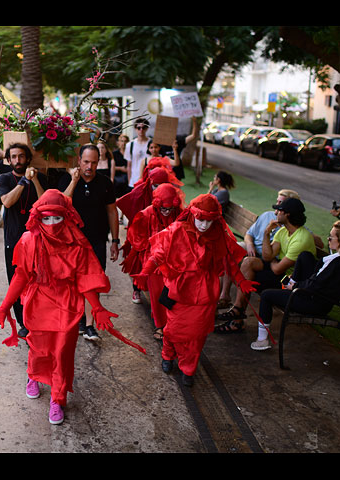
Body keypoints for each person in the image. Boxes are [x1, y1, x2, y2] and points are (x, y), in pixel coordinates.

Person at [0, 189, 118, 425]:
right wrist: (4, 307)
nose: (52, 224)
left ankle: (58, 396)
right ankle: (34, 375)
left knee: (63, 352)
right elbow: (21, 275)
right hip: (38, 301)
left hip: (68, 301)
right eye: (46, 218)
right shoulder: (29, 240)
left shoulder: (77, 242)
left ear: (66, 217)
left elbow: (84, 278)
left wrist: (96, 307)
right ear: (38, 218)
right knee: (39, 347)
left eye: (57, 218)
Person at [132, 194, 256, 386]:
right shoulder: (176, 230)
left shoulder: (217, 234)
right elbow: (158, 255)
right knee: (173, 330)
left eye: (209, 221)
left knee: (197, 335)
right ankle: (168, 352)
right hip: (179, 290)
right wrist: (144, 273)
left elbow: (229, 262)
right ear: (192, 214)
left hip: (205, 292)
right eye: (201, 219)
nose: (204, 225)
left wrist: (241, 281)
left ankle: (188, 369)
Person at [250, 219, 340, 351]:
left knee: (266, 295)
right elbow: (318, 280)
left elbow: (316, 284)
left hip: (314, 303)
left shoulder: (339, 264)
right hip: (314, 295)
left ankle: (262, 340)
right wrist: (295, 283)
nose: (328, 239)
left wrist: (294, 287)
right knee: (305, 256)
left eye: (331, 237)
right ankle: (292, 282)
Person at [215, 197, 317, 333]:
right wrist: (266, 233)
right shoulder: (282, 231)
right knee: (248, 263)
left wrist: (272, 261)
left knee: (248, 275)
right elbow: (267, 256)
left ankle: (237, 318)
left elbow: (277, 269)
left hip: (290, 283)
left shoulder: (301, 239)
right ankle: (238, 310)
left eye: (279, 210)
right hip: (280, 272)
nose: (276, 213)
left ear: (287, 215)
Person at [58, 144, 120, 340]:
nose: (90, 166)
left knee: (93, 282)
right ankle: (76, 318)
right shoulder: (67, 180)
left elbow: (112, 211)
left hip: (97, 239)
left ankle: (89, 323)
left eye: (94, 162)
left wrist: (115, 240)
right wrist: (74, 180)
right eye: (86, 162)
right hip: (71, 241)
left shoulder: (104, 183)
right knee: (72, 282)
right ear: (79, 160)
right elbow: (62, 204)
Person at [0, 142, 48, 337]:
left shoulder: (40, 178)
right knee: (16, 283)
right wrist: (23, 182)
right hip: (14, 240)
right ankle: (24, 322)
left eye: (21, 157)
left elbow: (45, 204)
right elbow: (7, 201)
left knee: (38, 281)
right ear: (9, 160)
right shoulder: (4, 178)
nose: (18, 161)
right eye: (14, 157)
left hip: (38, 240)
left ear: (28, 159)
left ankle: (37, 319)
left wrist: (34, 181)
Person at [121, 183, 183, 340]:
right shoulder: (146, 214)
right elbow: (138, 240)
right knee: (156, 295)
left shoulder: (179, 214)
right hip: (153, 262)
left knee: (173, 293)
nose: (167, 212)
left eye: (170, 209)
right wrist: (134, 256)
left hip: (174, 261)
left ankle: (172, 323)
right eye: (163, 208)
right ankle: (161, 326)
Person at [125, 118, 150, 189]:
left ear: (147, 128)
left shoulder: (151, 143)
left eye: (143, 127)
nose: (141, 130)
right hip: (134, 180)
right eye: (138, 128)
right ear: (135, 129)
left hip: (149, 179)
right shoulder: (130, 145)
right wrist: (129, 180)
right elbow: (129, 165)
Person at [112, 134, 130, 201]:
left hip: (128, 177)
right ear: (118, 143)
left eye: (125, 141)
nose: (123, 143)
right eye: (121, 141)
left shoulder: (130, 153)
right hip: (118, 177)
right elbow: (111, 166)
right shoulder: (114, 154)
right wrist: (120, 168)